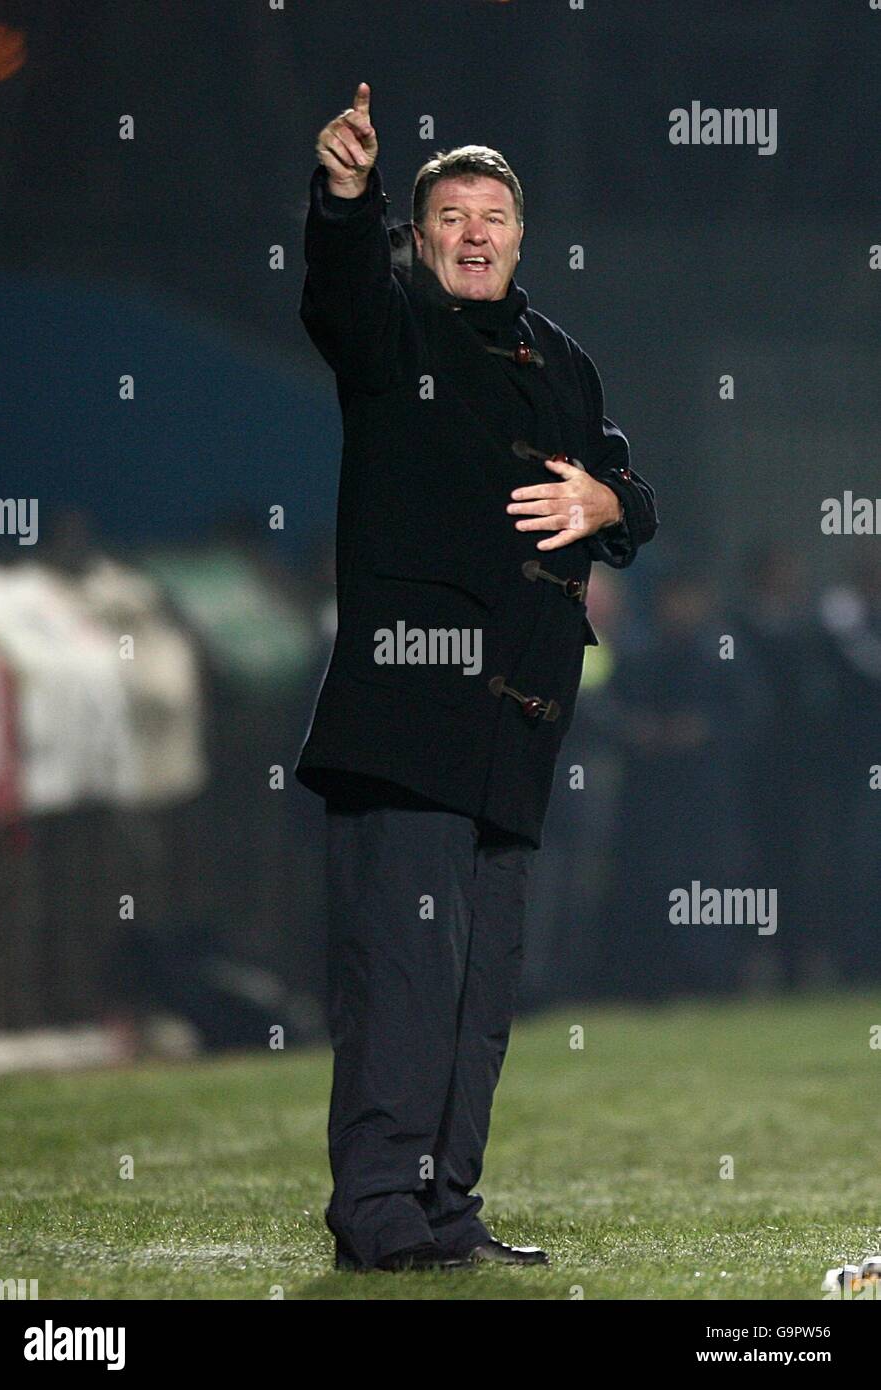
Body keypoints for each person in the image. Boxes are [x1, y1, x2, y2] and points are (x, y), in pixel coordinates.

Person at [296, 82, 658, 1271]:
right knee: (404, 977)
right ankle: (380, 1216)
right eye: (447, 214)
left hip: (518, 728)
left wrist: (609, 502)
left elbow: (624, 489)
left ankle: (446, 1205)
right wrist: (343, 196)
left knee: (482, 988)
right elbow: (338, 299)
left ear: (519, 232)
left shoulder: (561, 355)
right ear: (419, 234)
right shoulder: (393, 315)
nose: (471, 232)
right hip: (409, 717)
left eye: (490, 214)